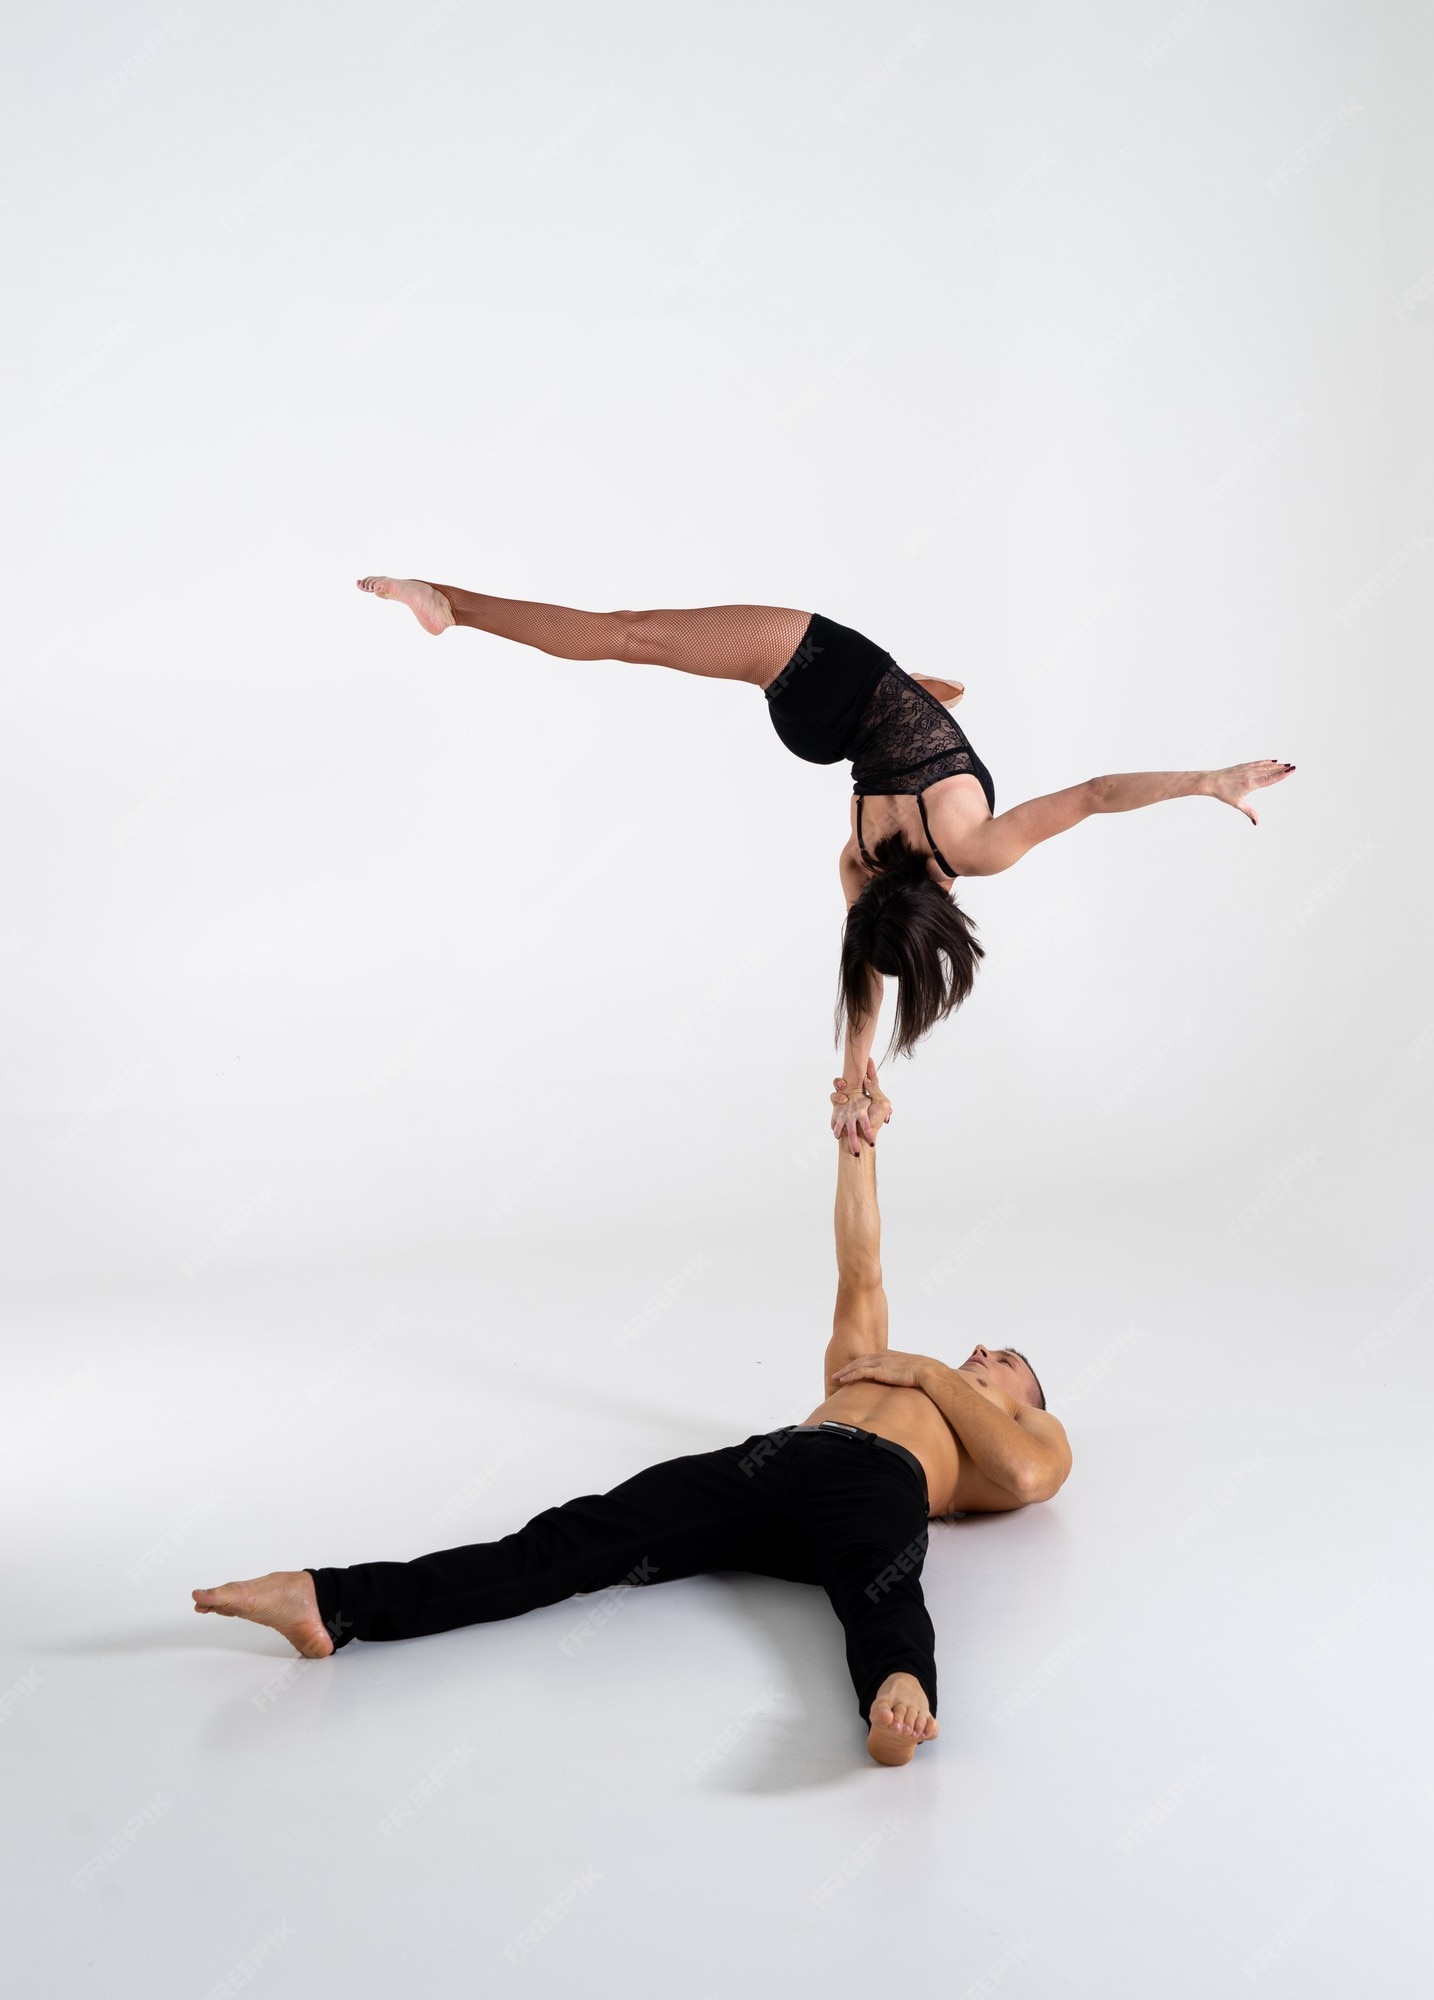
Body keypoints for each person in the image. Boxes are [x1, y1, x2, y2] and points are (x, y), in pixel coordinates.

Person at [192, 1065, 1072, 1767]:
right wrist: (858, 1146)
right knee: (573, 1540)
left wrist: (927, 1370)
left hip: (877, 1486)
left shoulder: (1010, 1435)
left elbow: (1031, 1477)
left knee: (885, 1594)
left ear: (1023, 1401)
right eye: (984, 1348)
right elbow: (863, 1268)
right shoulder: (881, 1364)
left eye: (1007, 1365)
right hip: (779, 1460)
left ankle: (897, 1694)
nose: (984, 1354)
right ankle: (331, 1600)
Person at [355, 576, 1295, 1150]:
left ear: (946, 906)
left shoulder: (976, 850)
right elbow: (861, 983)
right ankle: (927, 694)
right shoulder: (859, 869)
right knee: (652, 645)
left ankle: (453, 605)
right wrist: (853, 1082)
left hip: (836, 674)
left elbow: (1091, 795)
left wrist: (1210, 779)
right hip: (820, 739)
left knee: (627, 631)